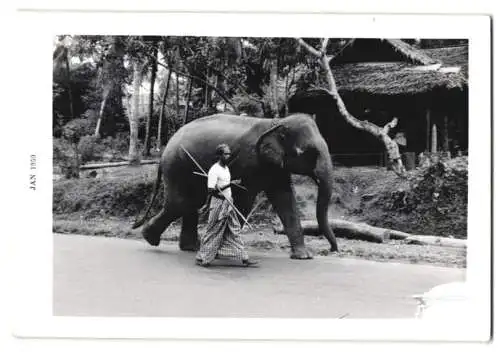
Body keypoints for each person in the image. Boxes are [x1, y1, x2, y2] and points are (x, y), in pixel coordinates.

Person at [195, 144, 259, 268]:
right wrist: (230, 185)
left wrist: (230, 186)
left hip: (228, 203)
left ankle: (244, 258)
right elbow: (211, 191)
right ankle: (203, 257)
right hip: (218, 204)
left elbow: (225, 185)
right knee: (213, 231)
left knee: (235, 230)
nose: (228, 156)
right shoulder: (214, 170)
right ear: (219, 155)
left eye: (229, 154)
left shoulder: (226, 168)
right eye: (225, 154)